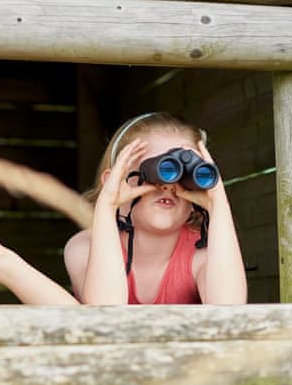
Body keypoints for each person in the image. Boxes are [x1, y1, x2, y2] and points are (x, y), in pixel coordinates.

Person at [64, 112, 247, 305]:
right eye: (161, 170)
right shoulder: (83, 247)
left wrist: (217, 204)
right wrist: (107, 205)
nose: (168, 185)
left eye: (183, 175)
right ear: (115, 181)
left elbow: (230, 310)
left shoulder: (202, 255)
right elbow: (107, 311)